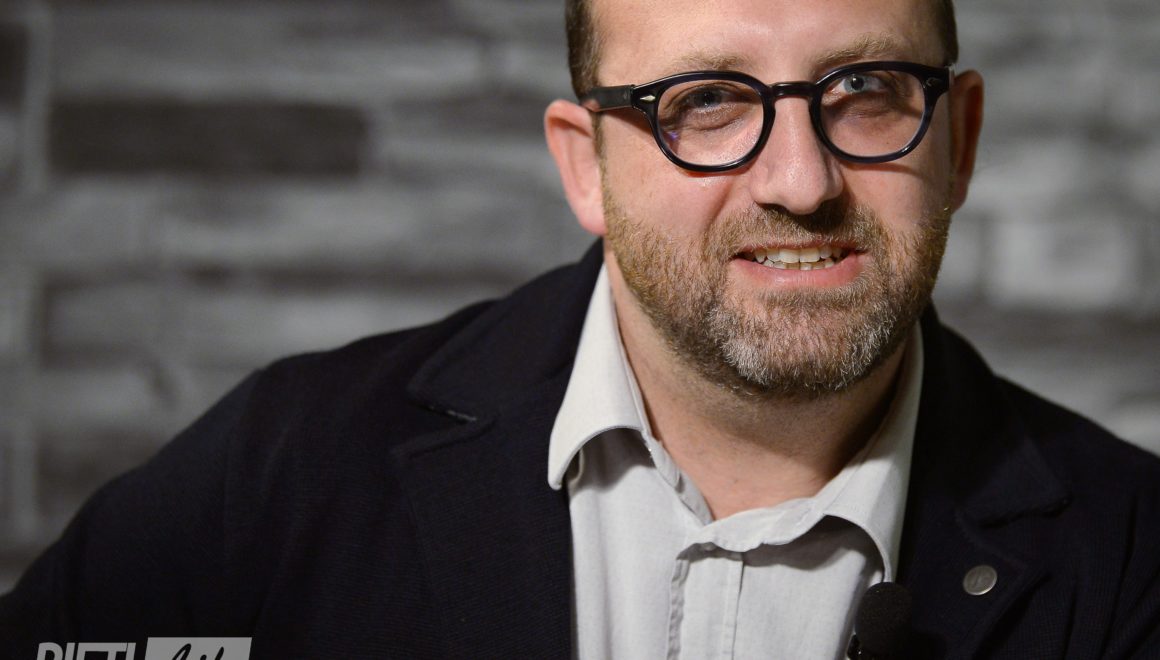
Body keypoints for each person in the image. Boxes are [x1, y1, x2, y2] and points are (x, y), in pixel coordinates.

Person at [2, 0, 1158, 657]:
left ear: (957, 139)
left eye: (863, 92)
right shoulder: (285, 472)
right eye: (705, 103)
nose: (799, 182)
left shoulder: (1133, 560)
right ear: (584, 166)